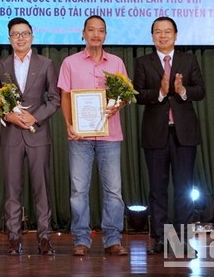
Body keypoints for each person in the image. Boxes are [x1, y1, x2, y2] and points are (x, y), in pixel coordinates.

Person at [57, 15, 129, 257]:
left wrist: (117, 106)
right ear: (83, 33)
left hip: (110, 136)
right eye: (91, 30)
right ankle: (81, 239)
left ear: (105, 35)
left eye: (101, 31)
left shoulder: (117, 62)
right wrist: (68, 124)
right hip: (80, 137)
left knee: (114, 191)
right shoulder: (70, 62)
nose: (96, 34)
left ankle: (113, 239)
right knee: (79, 191)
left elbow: (126, 94)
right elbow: (65, 96)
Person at [133, 16, 205, 256]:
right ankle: (160, 239)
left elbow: (201, 90)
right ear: (152, 35)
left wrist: (182, 90)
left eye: (167, 32)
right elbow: (138, 95)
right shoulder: (143, 62)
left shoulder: (188, 59)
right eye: (157, 32)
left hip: (184, 135)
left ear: (176, 34)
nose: (162, 36)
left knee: (185, 188)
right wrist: (161, 92)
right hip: (155, 134)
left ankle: (184, 239)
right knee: (157, 189)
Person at [0, 17, 60, 256]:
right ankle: (13, 239)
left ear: (32, 36)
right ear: (9, 38)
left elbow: (54, 99)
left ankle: (44, 238)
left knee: (41, 188)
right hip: (11, 134)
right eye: (15, 34)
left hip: (37, 133)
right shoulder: (1, 65)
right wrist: (8, 116)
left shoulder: (46, 63)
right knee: (11, 189)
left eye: (25, 34)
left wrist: (35, 117)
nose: (20, 38)